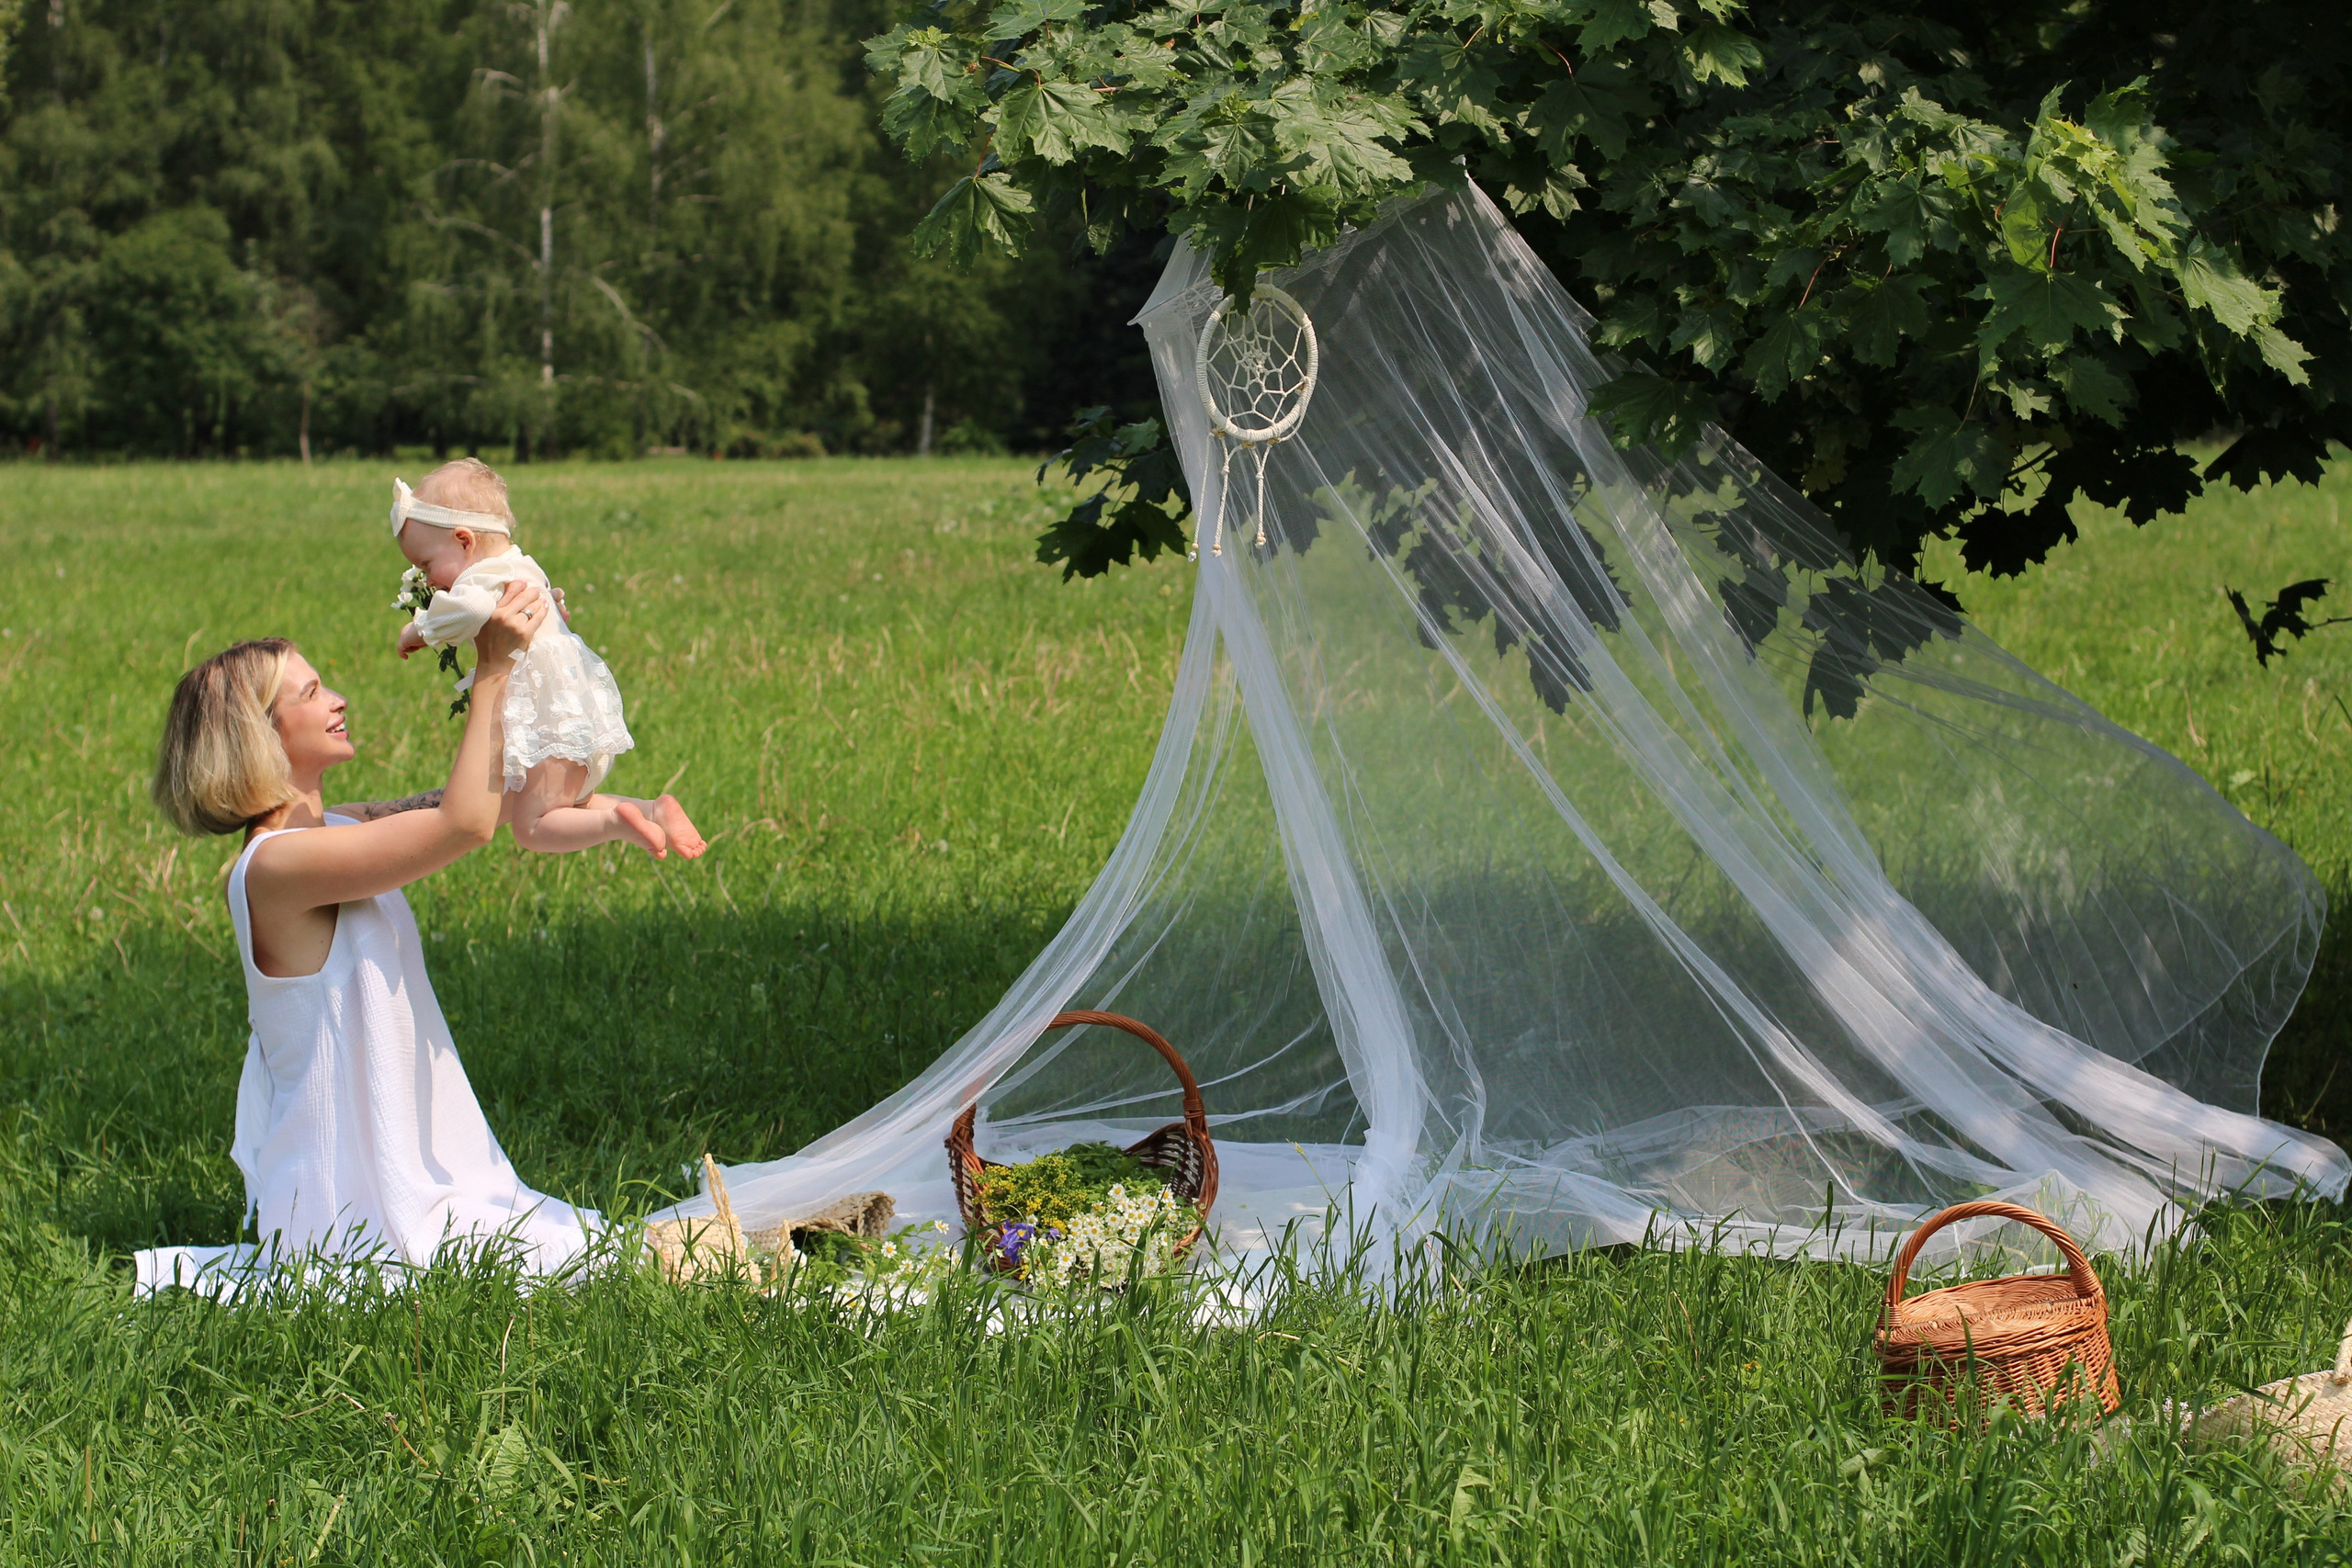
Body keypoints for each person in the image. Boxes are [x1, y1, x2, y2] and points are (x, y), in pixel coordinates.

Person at [137, 581, 598, 1295]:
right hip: (343, 1209)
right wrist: (492, 667)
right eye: (312, 692)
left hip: (386, 1176)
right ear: (261, 735)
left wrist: (539, 657)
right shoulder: (276, 868)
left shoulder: (339, 826)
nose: (338, 699)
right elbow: (462, 825)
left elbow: (496, 800)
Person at [391, 457, 706, 860]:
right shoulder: (523, 565)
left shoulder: (480, 579)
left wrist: (417, 629)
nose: (429, 579)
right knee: (571, 806)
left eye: (426, 564)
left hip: (549, 715)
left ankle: (616, 824)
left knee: (534, 827)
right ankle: (652, 812)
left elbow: (469, 609)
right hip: (579, 707)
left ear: (465, 541)